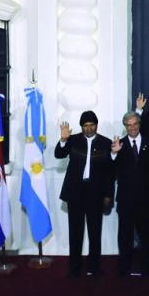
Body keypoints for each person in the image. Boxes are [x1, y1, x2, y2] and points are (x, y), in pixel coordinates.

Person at [55, 110, 114, 278]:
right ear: (81, 127)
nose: (89, 129)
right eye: (85, 126)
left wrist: (108, 195)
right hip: (75, 192)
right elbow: (59, 154)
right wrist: (63, 139)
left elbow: (110, 172)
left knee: (95, 232)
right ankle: (74, 268)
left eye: (92, 125)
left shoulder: (105, 142)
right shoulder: (73, 140)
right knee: (75, 232)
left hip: (96, 193)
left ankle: (94, 267)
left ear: (97, 125)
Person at [110, 112, 149, 277]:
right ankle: (124, 268)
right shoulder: (118, 144)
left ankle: (147, 269)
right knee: (125, 235)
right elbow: (110, 169)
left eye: (135, 124)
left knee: (146, 236)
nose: (132, 128)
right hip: (125, 199)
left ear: (139, 123)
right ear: (125, 127)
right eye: (128, 125)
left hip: (145, 198)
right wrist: (114, 154)